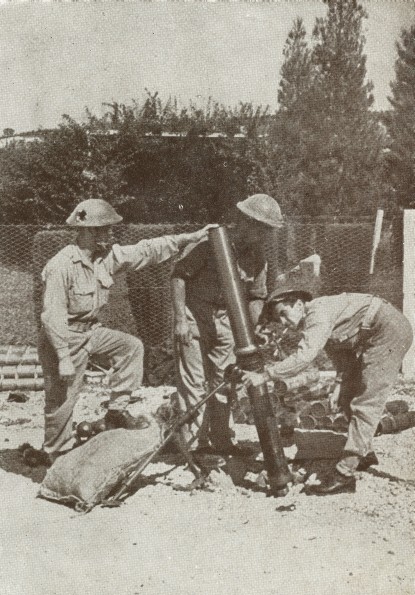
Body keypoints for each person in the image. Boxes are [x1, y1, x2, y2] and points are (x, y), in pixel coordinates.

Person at [33, 198, 214, 465]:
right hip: (62, 337)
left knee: (130, 347)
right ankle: (56, 454)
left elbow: (146, 250)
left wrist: (190, 237)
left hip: (91, 332)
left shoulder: (104, 258)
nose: (111, 234)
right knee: (62, 400)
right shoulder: (61, 265)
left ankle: (115, 413)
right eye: (106, 229)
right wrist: (63, 357)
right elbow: (52, 316)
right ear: (90, 231)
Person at [241, 288, 413, 495]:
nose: (285, 322)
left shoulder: (317, 314)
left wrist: (266, 375)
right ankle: (364, 453)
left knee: (366, 402)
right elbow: (341, 350)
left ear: (298, 304)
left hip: (388, 331)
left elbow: (305, 357)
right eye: (279, 319)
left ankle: (344, 475)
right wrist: (340, 383)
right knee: (347, 396)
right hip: (372, 333)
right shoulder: (314, 321)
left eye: (284, 313)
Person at [171, 193, 284, 456]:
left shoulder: (257, 257)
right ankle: (195, 449)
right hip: (194, 315)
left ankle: (221, 442)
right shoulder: (208, 243)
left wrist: (254, 332)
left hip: (226, 320)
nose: (264, 235)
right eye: (261, 228)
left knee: (224, 381)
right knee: (194, 382)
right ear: (245, 222)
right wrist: (180, 320)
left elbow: (256, 296)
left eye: (268, 230)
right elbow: (178, 276)